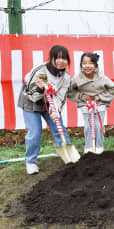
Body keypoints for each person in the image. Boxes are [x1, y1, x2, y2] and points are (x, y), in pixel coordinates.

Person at [17, 45, 72, 175]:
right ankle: (30, 161)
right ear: (51, 58)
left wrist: (55, 111)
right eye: (57, 58)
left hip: (51, 102)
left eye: (64, 58)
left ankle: (69, 157)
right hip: (31, 101)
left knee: (59, 129)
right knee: (35, 132)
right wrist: (41, 90)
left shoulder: (66, 77)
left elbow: (61, 96)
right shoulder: (41, 71)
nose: (60, 61)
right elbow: (30, 92)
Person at [67, 52, 114, 154]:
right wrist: (81, 96)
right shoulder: (77, 79)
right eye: (84, 63)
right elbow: (70, 91)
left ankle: (99, 149)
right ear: (81, 65)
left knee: (98, 127)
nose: (87, 66)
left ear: (96, 66)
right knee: (89, 126)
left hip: (99, 104)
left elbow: (113, 90)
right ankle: (89, 149)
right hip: (85, 105)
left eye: (90, 63)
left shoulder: (102, 78)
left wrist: (98, 97)